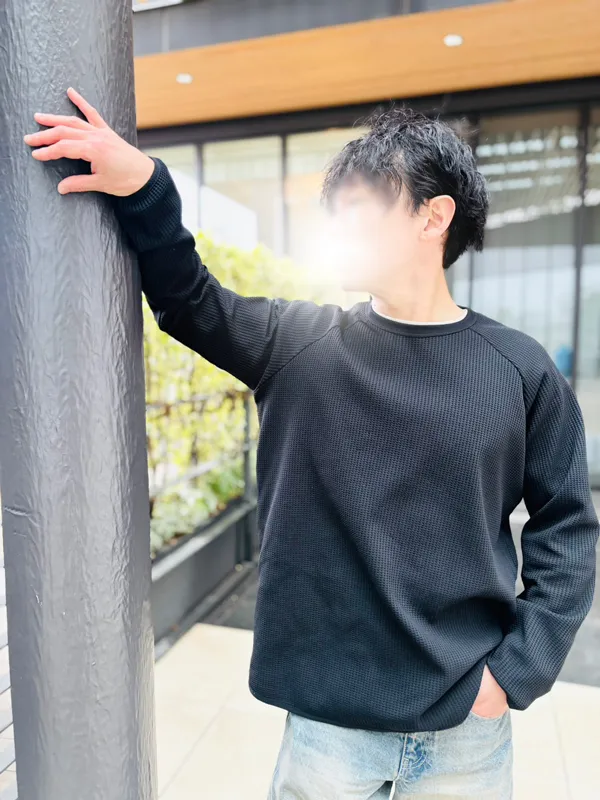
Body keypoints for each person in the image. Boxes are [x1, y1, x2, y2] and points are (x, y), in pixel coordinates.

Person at [25, 89, 599, 800]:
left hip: (466, 731)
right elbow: (188, 299)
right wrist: (145, 186)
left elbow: (567, 527)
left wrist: (513, 674)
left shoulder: (519, 370)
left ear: (434, 215)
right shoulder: (301, 346)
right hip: (329, 734)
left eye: (362, 204)